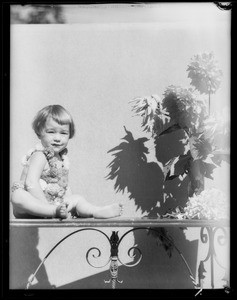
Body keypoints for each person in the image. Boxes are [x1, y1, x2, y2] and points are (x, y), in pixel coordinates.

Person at [11, 104, 123, 219]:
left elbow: (64, 187)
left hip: (53, 204)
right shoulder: (40, 155)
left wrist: (68, 206)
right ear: (39, 132)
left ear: (70, 135)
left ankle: (96, 211)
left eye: (63, 133)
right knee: (18, 196)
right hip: (31, 205)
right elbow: (31, 183)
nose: (57, 138)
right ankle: (52, 211)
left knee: (77, 198)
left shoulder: (62, 159)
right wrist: (46, 206)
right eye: (51, 132)